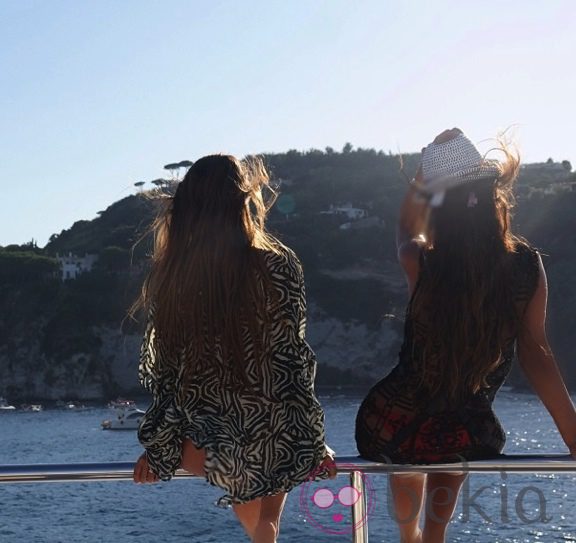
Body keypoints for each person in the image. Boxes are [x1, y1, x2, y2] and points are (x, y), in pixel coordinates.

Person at [355, 128, 576, 543]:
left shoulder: (421, 260)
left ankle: (408, 536)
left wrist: (423, 180)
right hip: (465, 426)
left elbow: (405, 226)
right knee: (453, 434)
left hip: (394, 418)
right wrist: (573, 435)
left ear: (440, 208)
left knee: (411, 442)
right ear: (494, 198)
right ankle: (431, 535)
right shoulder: (526, 267)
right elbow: (536, 353)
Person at [131, 154, 336, 543]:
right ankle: (267, 527)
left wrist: (159, 450)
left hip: (212, 437)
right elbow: (293, 361)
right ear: (244, 201)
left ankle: (264, 530)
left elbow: (168, 376)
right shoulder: (279, 267)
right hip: (274, 429)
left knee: (243, 473)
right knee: (269, 460)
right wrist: (313, 440)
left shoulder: (173, 280)